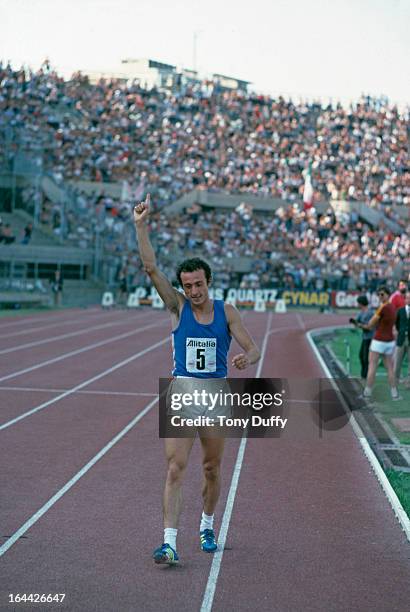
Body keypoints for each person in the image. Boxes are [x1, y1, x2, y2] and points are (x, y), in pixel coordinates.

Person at [133, 194, 260, 565]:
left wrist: (244, 358)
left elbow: (254, 349)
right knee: (175, 467)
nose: (193, 291)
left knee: (211, 468)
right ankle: (169, 542)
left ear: (208, 281)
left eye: (198, 284)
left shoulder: (226, 311)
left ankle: (207, 523)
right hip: (183, 391)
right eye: (187, 286)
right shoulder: (176, 307)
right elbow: (150, 267)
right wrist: (140, 226)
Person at [360, 286, 400, 401]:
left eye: (382, 294)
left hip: (379, 341)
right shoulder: (393, 307)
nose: (380, 297)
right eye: (379, 295)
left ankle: (367, 393)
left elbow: (370, 324)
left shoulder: (382, 307)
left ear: (388, 294)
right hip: (390, 341)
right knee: (390, 369)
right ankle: (394, 394)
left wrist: (363, 326)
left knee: (372, 367)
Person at [349, 295, 374, 379]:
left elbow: (369, 327)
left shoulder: (370, 313)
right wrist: (354, 322)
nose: (357, 305)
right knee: (361, 356)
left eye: (358, 303)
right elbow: (357, 321)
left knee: (366, 357)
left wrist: (359, 325)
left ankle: (365, 375)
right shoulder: (361, 312)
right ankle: (363, 374)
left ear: (361, 303)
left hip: (370, 337)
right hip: (364, 337)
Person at [395, 289, 410, 386]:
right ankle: (396, 380)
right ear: (405, 299)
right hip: (401, 339)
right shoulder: (400, 311)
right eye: (407, 298)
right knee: (398, 362)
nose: (409, 300)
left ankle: (408, 383)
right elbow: (397, 324)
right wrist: (400, 331)